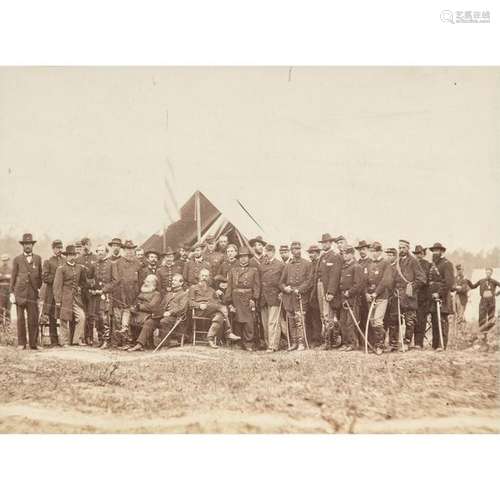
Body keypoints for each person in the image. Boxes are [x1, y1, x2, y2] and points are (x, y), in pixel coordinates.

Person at [129, 273, 189, 351]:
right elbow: (161, 306)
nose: (173, 282)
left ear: (181, 283)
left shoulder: (184, 294)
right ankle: (140, 344)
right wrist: (156, 313)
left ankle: (165, 345)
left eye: (175, 280)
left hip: (175, 317)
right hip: (163, 315)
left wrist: (170, 312)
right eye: (173, 280)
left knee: (164, 321)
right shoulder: (169, 294)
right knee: (149, 321)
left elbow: (182, 308)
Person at [9, 233, 43, 350]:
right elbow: (13, 277)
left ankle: (34, 344)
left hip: (32, 293)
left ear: (32, 245)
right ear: (22, 246)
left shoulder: (38, 258)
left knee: (33, 319)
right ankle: (21, 343)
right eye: (25, 244)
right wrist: (11, 293)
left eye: (29, 244)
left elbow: (40, 276)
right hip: (20, 294)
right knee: (20, 319)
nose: (27, 246)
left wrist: (38, 288)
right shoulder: (17, 259)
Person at [279, 241, 313, 351]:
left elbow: (309, 281)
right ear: (291, 251)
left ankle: (301, 342)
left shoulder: (307, 264)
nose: (296, 251)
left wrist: (300, 289)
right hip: (289, 297)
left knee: (300, 320)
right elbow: (281, 282)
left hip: (300, 296)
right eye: (294, 249)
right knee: (291, 320)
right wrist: (285, 288)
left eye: (298, 248)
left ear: (300, 249)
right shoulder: (288, 266)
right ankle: (294, 342)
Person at [225, 247, 261, 351]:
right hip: (236, 298)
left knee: (249, 321)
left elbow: (257, 286)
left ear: (248, 258)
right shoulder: (233, 270)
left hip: (248, 298)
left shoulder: (254, 270)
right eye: (241, 257)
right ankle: (238, 342)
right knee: (237, 320)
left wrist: (254, 299)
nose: (243, 259)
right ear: (238, 258)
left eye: (245, 257)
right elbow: (229, 286)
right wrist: (229, 301)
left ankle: (248, 342)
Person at [53, 245, 87, 347]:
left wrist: (80, 288)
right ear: (66, 256)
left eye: (73, 255)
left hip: (76, 298)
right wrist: (58, 300)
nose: (71, 257)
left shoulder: (79, 268)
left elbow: (82, 281)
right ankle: (64, 341)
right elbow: (57, 286)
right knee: (64, 319)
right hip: (65, 298)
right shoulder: (61, 269)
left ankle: (77, 340)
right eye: (69, 255)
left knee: (82, 317)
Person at [394, 239, 426, 349]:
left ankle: (407, 342)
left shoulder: (413, 261)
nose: (401, 250)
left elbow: (422, 278)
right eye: (399, 248)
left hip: (409, 296)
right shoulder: (398, 261)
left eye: (403, 247)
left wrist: (411, 286)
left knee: (409, 320)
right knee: (395, 319)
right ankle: (394, 343)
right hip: (397, 295)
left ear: (408, 248)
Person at [365, 242, 394, 355]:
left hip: (381, 297)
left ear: (380, 251)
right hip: (370, 297)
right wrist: (366, 293)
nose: (373, 253)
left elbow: (385, 281)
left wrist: (375, 293)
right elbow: (365, 280)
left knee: (378, 320)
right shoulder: (370, 263)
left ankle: (380, 345)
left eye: (375, 251)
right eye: (372, 251)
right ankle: (376, 343)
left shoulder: (386, 263)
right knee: (372, 321)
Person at [112, 240, 141, 348]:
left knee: (130, 318)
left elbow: (140, 280)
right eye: (127, 249)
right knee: (119, 319)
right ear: (123, 250)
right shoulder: (117, 263)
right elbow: (116, 280)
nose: (130, 252)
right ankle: (120, 342)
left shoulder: (138, 263)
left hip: (133, 294)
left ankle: (129, 341)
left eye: (131, 249)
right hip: (119, 294)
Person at [316, 233, 342, 349]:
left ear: (331, 243)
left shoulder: (335, 256)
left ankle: (330, 342)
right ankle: (327, 340)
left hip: (328, 288)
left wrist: (331, 292)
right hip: (320, 286)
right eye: (323, 243)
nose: (324, 245)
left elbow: (335, 276)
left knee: (328, 314)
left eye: (326, 242)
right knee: (323, 314)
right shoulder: (322, 256)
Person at [190, 268, 227, 349]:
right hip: (200, 310)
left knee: (220, 316)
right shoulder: (193, 288)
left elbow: (217, 302)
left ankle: (210, 339)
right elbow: (190, 303)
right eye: (202, 275)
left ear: (209, 278)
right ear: (199, 277)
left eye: (206, 276)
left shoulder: (212, 290)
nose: (204, 278)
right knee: (223, 308)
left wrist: (220, 295)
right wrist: (199, 305)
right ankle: (228, 331)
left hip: (211, 310)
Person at [427, 243, 454, 351]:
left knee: (442, 319)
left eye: (436, 251)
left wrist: (439, 293)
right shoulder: (433, 265)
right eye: (433, 251)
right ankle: (435, 344)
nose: (434, 253)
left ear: (442, 252)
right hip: (432, 296)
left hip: (442, 296)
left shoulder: (447, 264)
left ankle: (441, 344)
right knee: (434, 319)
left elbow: (449, 282)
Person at [259, 244, 284, 352]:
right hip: (263, 298)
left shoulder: (280, 265)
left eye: (269, 251)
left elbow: (283, 281)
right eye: (266, 251)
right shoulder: (262, 265)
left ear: (274, 252)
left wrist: (282, 292)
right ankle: (268, 343)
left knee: (273, 322)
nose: (267, 253)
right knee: (265, 323)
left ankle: (273, 345)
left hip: (274, 296)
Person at [338, 245, 363, 352]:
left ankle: (353, 343)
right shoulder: (344, 267)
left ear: (352, 254)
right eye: (343, 253)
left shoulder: (356, 267)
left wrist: (349, 292)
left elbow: (358, 285)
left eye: (347, 253)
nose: (344, 255)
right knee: (342, 321)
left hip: (353, 299)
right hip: (344, 298)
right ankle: (346, 343)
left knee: (350, 321)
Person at [88, 244, 114, 349]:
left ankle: (107, 340)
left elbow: (115, 281)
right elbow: (89, 278)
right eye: (98, 251)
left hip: (106, 295)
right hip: (96, 295)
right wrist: (92, 285)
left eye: (102, 250)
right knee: (97, 317)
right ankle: (100, 339)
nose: (100, 252)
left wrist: (103, 290)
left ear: (106, 252)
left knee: (105, 317)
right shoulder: (94, 265)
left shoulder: (111, 264)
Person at [41, 240, 65, 347]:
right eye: (57, 248)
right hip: (51, 294)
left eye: (60, 247)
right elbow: (45, 277)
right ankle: (54, 341)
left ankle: (65, 340)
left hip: (64, 293)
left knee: (65, 315)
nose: (59, 250)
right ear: (53, 249)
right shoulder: (48, 261)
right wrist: (57, 279)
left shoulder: (65, 261)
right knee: (52, 316)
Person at [129, 274, 162, 346]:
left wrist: (139, 306)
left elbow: (151, 307)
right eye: (145, 281)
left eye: (148, 282)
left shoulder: (157, 294)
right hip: (139, 315)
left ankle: (140, 344)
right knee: (129, 318)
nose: (145, 283)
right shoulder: (141, 293)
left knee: (147, 322)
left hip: (152, 316)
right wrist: (133, 307)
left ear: (154, 284)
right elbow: (135, 303)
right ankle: (133, 341)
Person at [76, 237, 97, 345]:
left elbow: (97, 274)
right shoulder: (78, 259)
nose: (86, 247)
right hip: (82, 290)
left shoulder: (95, 257)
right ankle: (82, 337)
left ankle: (90, 337)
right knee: (82, 314)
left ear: (90, 245)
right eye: (84, 245)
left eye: (87, 244)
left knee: (90, 314)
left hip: (92, 291)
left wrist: (93, 282)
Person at [469, 268, 500, 334]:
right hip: (483, 300)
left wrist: (497, 293)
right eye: (487, 272)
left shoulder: (494, 281)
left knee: (491, 318)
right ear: (485, 273)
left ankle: (488, 333)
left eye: (490, 273)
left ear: (491, 273)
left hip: (491, 301)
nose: (488, 274)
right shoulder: (481, 281)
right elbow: (473, 286)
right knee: (482, 316)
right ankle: (482, 334)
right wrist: (467, 281)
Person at [412, 245, 431, 349]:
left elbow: (426, 280)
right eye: (416, 254)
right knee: (412, 320)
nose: (418, 255)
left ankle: (418, 343)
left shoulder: (428, 265)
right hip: (412, 296)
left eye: (420, 253)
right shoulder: (412, 263)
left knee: (421, 319)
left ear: (423, 254)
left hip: (423, 296)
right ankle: (411, 342)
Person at [355, 240, 371, 346]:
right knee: (359, 318)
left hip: (368, 294)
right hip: (358, 295)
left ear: (368, 250)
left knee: (368, 318)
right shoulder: (357, 263)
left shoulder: (371, 262)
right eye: (360, 250)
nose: (362, 251)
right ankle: (361, 342)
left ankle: (370, 341)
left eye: (364, 249)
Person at [306, 244, 322, 345]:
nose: (311, 255)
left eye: (313, 253)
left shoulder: (320, 263)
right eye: (310, 253)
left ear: (318, 253)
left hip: (317, 293)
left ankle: (317, 339)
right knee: (310, 317)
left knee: (316, 318)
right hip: (309, 294)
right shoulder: (310, 264)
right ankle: (311, 338)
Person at [453, 264, 472, 331]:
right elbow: (452, 287)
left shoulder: (465, 279)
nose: (459, 271)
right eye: (458, 270)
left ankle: (460, 330)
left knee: (461, 314)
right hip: (455, 298)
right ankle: (459, 330)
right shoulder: (455, 278)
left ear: (463, 270)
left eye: (460, 270)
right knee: (456, 314)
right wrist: (457, 287)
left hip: (462, 298)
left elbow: (464, 289)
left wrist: (458, 288)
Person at [0, 254, 13, 325]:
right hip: (1, 292)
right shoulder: (0, 269)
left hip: (9, 291)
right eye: (3, 260)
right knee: (1, 308)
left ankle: (8, 325)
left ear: (8, 260)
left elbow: (13, 280)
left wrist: (3, 277)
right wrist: (6, 277)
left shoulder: (11, 270)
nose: (5, 262)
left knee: (8, 309)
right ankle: (1, 325)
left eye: (6, 260)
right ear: (2, 261)